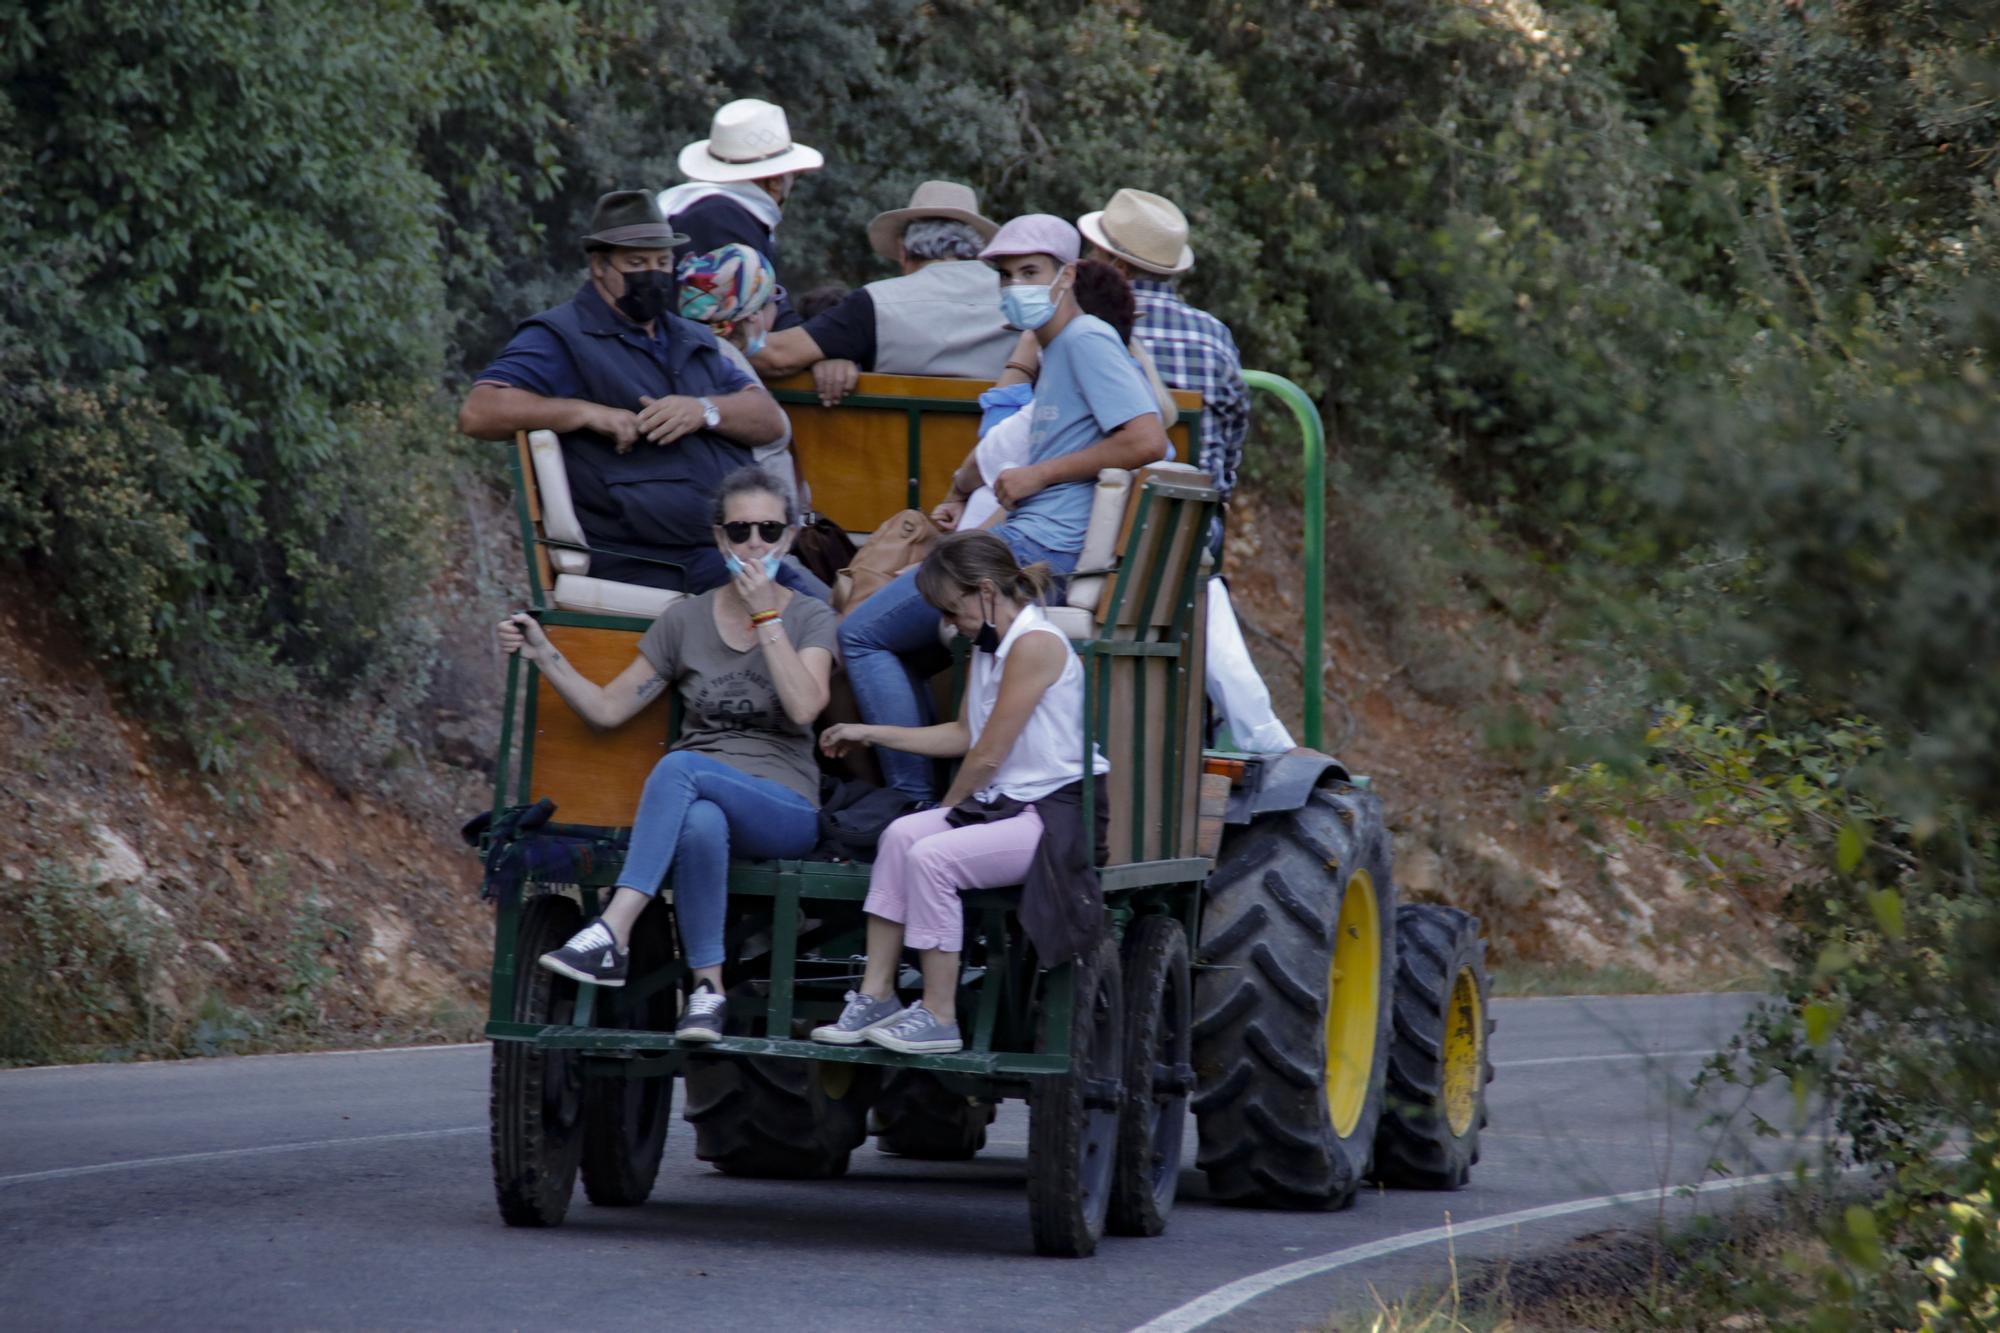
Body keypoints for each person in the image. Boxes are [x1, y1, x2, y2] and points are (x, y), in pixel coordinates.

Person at [500, 467, 837, 1041]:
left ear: (786, 539)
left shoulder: (809, 616)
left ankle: (614, 928)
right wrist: (544, 655)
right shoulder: (684, 620)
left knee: (682, 768)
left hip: (781, 804)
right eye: (739, 530)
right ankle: (708, 992)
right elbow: (609, 709)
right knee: (701, 821)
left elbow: (806, 707)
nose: (754, 544)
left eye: (768, 530)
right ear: (718, 538)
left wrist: (766, 617)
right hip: (702, 797)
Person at [838, 224, 1171, 800]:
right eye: (1006, 276)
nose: (1015, 286)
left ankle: (912, 803)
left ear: (1066, 277)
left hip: (1044, 549)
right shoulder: (1054, 349)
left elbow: (1147, 439)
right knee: (901, 636)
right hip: (1027, 537)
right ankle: (923, 792)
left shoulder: (1086, 338)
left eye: (1030, 273)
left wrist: (1039, 474)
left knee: (862, 633)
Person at [811, 533, 1109, 1054]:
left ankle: (939, 1014)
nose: (952, 626)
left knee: (932, 856)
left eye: (954, 611)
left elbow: (989, 754)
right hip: (1004, 805)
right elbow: (964, 735)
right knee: (901, 834)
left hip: (1052, 811)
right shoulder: (985, 649)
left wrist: (949, 813)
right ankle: (876, 995)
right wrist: (869, 732)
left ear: (987, 592)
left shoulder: (1036, 644)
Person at [460, 191, 809, 598]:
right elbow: (478, 412)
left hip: (734, 547)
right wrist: (586, 413)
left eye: (662, 262)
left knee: (831, 606)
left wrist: (704, 409)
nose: (654, 273)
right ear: (599, 266)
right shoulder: (562, 336)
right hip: (651, 561)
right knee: (812, 616)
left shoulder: (692, 336)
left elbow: (768, 420)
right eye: (637, 263)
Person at [751, 180, 1014, 405]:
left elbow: (776, 356)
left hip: (896, 462)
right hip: (1002, 460)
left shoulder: (874, 303)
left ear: (903, 250)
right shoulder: (1019, 300)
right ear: (978, 250)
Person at [1079, 189, 1249, 509]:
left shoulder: (1082, 328)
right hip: (1190, 529)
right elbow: (1230, 444)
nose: (1088, 259)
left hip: (1089, 521)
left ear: (1119, 268)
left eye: (1095, 251)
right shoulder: (1214, 337)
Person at [675, 243, 819, 573]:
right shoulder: (721, 359)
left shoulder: (705, 354)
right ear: (753, 312)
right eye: (773, 301)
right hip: (756, 555)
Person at [659, 99, 823, 331]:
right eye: (793, 176)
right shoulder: (722, 219)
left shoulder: (707, 210)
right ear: (775, 182)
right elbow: (742, 320)